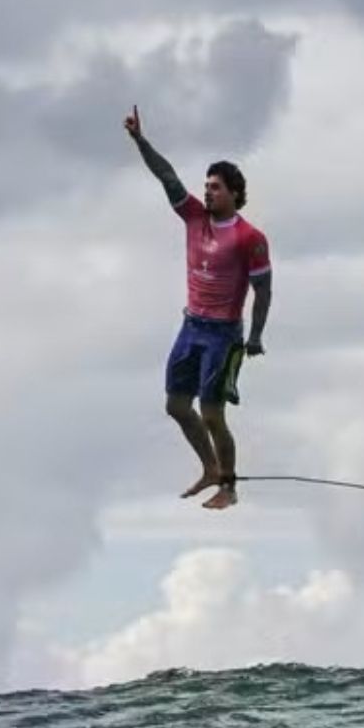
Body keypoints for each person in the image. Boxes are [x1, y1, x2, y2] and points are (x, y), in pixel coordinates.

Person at [124, 105, 272, 510]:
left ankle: (229, 485)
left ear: (236, 194)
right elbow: (166, 176)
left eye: (217, 187)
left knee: (211, 414)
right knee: (175, 405)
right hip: (191, 326)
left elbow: (264, 290)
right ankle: (209, 467)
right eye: (206, 186)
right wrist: (140, 141)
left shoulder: (249, 238)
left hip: (223, 335)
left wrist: (255, 336)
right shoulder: (193, 217)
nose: (208, 192)